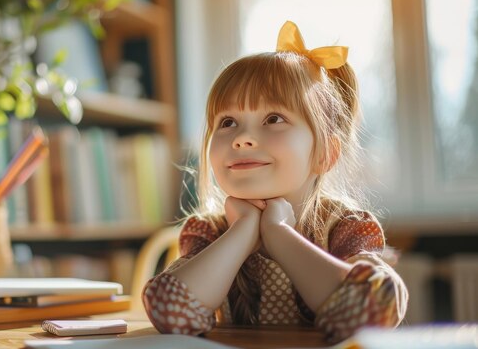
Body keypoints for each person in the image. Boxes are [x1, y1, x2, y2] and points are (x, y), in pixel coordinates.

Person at [142, 21, 408, 343]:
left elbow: (375, 308)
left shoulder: (346, 227)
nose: (242, 138)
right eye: (227, 122)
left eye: (273, 119)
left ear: (325, 152)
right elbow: (168, 311)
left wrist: (278, 234)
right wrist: (242, 232)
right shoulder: (209, 232)